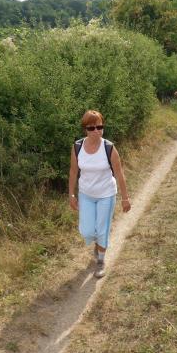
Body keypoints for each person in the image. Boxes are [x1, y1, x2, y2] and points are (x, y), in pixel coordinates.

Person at [68, 110, 131, 278]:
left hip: (106, 194)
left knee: (102, 229)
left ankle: (101, 260)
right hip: (86, 194)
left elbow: (119, 174)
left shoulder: (109, 148)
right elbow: (73, 171)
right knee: (87, 231)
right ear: (85, 129)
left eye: (100, 127)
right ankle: (98, 243)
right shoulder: (77, 147)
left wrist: (125, 198)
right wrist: (71, 195)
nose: (96, 131)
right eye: (91, 128)